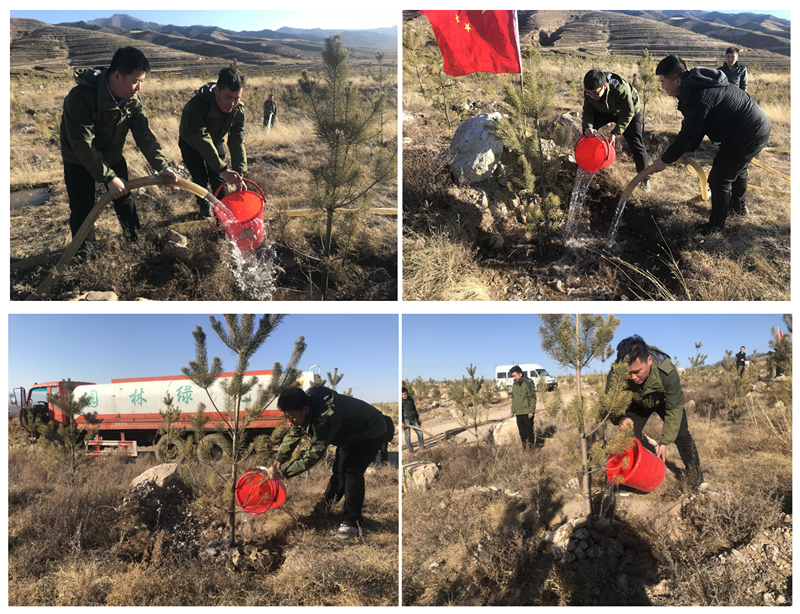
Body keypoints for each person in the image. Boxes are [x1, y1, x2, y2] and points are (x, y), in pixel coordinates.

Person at [60, 46, 178, 246]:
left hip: (113, 156)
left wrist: (162, 166)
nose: (139, 88)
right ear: (116, 76)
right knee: (83, 211)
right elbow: (82, 144)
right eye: (135, 82)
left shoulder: (132, 101)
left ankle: (136, 244)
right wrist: (109, 178)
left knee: (125, 201)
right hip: (78, 160)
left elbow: (144, 135)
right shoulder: (79, 97)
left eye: (141, 82)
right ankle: (85, 259)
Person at [651, 55, 771, 235]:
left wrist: (665, 160)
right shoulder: (693, 85)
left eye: (662, 81)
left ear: (677, 80)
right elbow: (699, 123)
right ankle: (738, 208)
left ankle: (717, 226)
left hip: (749, 133)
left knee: (719, 178)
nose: (661, 86)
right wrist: (690, 149)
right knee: (737, 168)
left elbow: (688, 133)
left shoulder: (698, 95)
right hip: (745, 130)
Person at [268, 385, 388, 540]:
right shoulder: (303, 410)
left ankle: (351, 523)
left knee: (351, 472)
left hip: (371, 432)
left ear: (305, 409)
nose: (290, 421)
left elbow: (314, 452)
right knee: (339, 472)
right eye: (287, 417)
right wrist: (279, 460)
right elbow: (294, 433)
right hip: (349, 435)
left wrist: (285, 473)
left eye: (292, 417)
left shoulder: (327, 415)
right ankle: (324, 509)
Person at [609, 335, 706, 490]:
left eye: (637, 371)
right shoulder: (617, 373)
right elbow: (610, 402)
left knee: (682, 435)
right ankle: (628, 481)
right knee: (628, 437)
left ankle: (696, 477)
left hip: (664, 402)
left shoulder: (666, 371)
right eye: (629, 373)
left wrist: (664, 441)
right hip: (637, 403)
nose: (633, 377)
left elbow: (674, 409)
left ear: (649, 360)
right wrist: (620, 418)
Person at [179, 67, 247, 218]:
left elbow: (237, 141)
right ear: (216, 90)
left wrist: (239, 174)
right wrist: (222, 168)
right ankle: (204, 209)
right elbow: (201, 138)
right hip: (191, 143)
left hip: (215, 140)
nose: (232, 103)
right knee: (200, 178)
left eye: (237, 98)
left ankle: (223, 221)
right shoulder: (196, 105)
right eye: (228, 97)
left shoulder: (238, 111)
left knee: (219, 180)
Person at [582, 69, 651, 190]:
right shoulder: (590, 91)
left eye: (595, 93)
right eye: (589, 94)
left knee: (636, 144)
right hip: (603, 110)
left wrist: (615, 132)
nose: (592, 97)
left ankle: (644, 180)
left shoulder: (620, 89)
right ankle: (588, 167)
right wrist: (588, 127)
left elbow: (628, 113)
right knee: (587, 135)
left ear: (604, 86)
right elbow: (587, 112)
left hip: (627, 111)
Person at [509, 365, 536, 450]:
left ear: (520, 374)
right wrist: (512, 411)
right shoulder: (514, 385)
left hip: (527, 412)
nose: (514, 378)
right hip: (518, 413)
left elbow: (532, 398)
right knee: (522, 433)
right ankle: (524, 450)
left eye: (514, 376)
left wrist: (531, 411)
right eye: (512, 376)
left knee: (529, 433)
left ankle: (531, 451)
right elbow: (514, 399)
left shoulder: (529, 383)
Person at [401, 387, 424, 453]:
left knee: (419, 432)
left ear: (407, 393)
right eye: (402, 394)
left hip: (413, 419)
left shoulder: (411, 400)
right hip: (406, 420)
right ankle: (410, 449)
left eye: (405, 394)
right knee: (407, 434)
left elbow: (414, 409)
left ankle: (421, 446)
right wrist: (402, 422)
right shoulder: (401, 402)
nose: (404, 396)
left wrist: (417, 417)